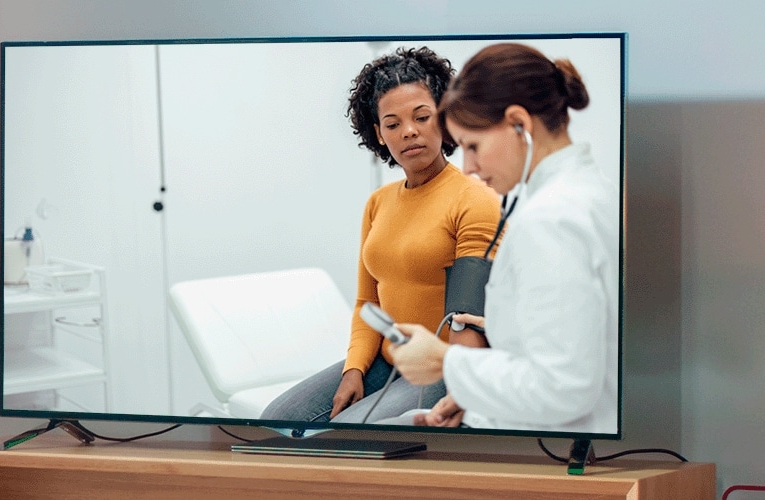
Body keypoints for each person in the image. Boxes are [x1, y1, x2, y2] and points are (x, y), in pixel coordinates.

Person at [260, 46, 502, 424]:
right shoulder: (379, 202)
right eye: (392, 124)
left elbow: (467, 318)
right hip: (384, 361)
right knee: (277, 417)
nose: (409, 131)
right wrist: (354, 369)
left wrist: (460, 389)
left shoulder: (475, 199)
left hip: (438, 365)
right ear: (378, 133)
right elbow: (365, 302)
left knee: (346, 432)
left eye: (422, 117)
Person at [388, 42, 620, 434]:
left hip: (557, 446)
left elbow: (563, 387)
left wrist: (446, 362)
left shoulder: (550, 221)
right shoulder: (594, 192)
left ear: (519, 123)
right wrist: (475, 388)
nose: (470, 167)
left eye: (473, 146)